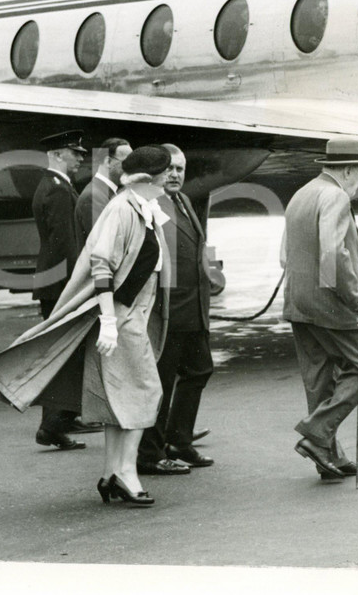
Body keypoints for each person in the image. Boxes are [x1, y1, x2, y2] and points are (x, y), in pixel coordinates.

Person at [0, 145, 173, 507]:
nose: (170, 178)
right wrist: (110, 321)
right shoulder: (123, 209)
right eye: (165, 172)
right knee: (145, 393)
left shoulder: (142, 207)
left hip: (132, 314)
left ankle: (112, 474)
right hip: (121, 316)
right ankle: (126, 474)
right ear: (148, 178)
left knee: (122, 397)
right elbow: (102, 265)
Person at [282, 137, 358, 480]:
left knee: (320, 381)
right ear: (349, 170)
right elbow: (332, 254)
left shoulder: (302, 193)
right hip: (329, 305)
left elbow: (287, 253)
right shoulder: (335, 196)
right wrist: (357, 301)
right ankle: (315, 434)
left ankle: (328, 456)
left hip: (299, 302)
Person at [137, 144, 214, 476]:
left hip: (192, 310)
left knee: (199, 370)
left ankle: (179, 440)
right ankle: (149, 454)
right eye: (169, 169)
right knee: (162, 382)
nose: (175, 175)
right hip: (168, 311)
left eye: (180, 169)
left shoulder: (183, 200)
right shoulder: (151, 204)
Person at [31, 129, 94, 451]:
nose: (80, 158)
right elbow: (66, 245)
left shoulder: (54, 185)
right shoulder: (57, 190)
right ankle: (51, 426)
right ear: (57, 155)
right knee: (64, 356)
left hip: (53, 282)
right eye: (75, 153)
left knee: (69, 352)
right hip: (61, 284)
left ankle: (65, 417)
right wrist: (78, 286)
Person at [74, 137, 132, 247]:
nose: (132, 169)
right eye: (127, 163)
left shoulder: (108, 192)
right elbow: (106, 245)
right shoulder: (93, 196)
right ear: (108, 162)